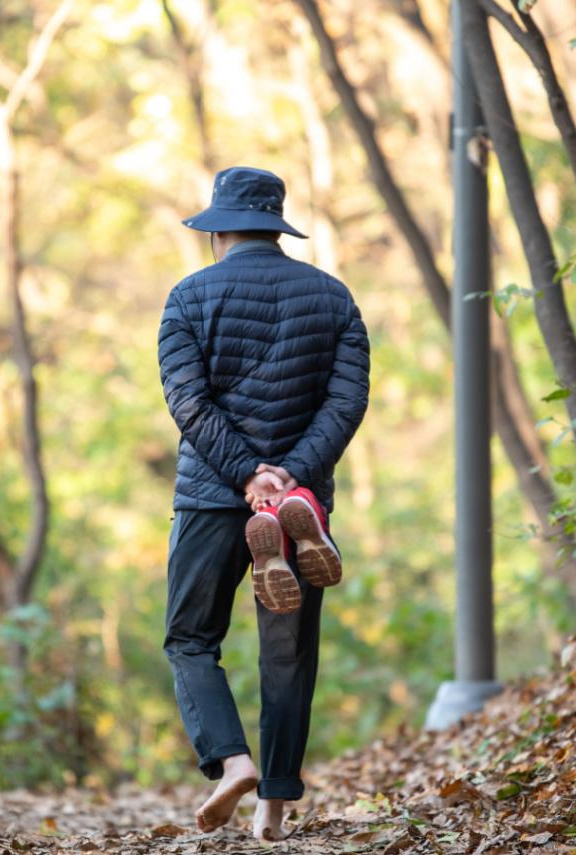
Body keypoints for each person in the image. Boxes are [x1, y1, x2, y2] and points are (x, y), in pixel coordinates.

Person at [157, 166, 370, 841]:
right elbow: (347, 401)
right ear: (277, 225)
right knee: (287, 651)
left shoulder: (187, 297)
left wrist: (248, 475)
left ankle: (232, 760)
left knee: (191, 637)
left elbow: (187, 401)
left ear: (217, 229)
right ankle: (273, 805)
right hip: (299, 500)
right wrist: (288, 477)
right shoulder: (334, 298)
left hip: (211, 497)